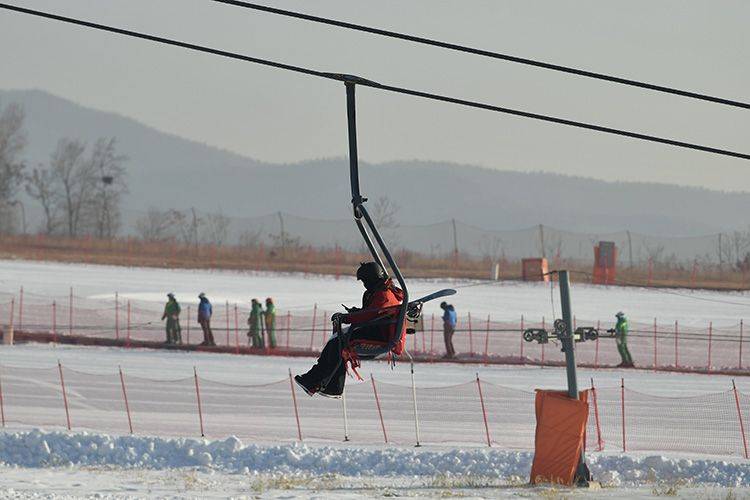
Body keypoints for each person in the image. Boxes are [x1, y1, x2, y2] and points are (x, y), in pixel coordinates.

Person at [295, 262, 405, 398]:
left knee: (337, 343)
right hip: (374, 330)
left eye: (365, 281)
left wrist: (347, 318)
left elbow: (370, 315)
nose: (365, 284)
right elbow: (370, 313)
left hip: (378, 336)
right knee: (335, 343)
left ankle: (317, 381)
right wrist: (354, 313)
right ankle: (330, 385)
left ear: (373, 278)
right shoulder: (378, 292)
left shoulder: (384, 295)